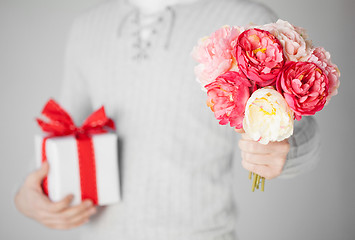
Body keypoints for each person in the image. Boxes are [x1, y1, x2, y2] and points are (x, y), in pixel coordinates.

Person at [14, 0, 320, 239]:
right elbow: (61, 134)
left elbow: (303, 134)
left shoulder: (247, 19)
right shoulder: (87, 26)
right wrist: (29, 196)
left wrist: (283, 148)